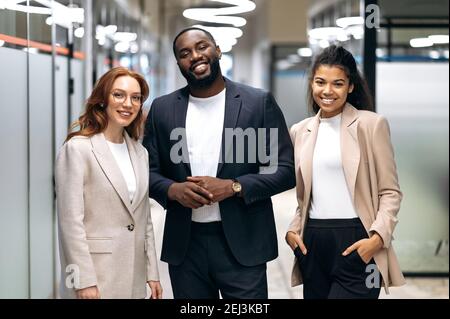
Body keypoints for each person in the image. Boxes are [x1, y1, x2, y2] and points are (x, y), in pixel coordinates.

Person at [143, 27, 295, 299]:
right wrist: (172, 190)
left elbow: (284, 170)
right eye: (185, 53)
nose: (195, 56)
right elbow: (148, 171)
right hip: (186, 246)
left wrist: (234, 186)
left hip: (242, 244)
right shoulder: (162, 109)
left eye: (202, 47)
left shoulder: (257, 103)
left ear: (217, 50)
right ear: (178, 63)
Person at [285, 45, 405, 299]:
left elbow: (390, 192)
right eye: (320, 82)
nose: (327, 91)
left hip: (357, 240)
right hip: (313, 244)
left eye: (337, 84)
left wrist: (376, 239)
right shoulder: (300, 131)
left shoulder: (371, 125)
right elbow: (304, 197)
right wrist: (293, 231)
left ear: (350, 86)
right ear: (312, 84)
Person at [55, 67, 163, 299]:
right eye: (119, 95)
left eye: (136, 98)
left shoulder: (139, 152)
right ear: (102, 99)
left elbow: (144, 221)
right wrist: (83, 281)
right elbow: (70, 223)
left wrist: (152, 272)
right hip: (96, 276)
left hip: (133, 275)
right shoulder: (78, 149)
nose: (128, 104)